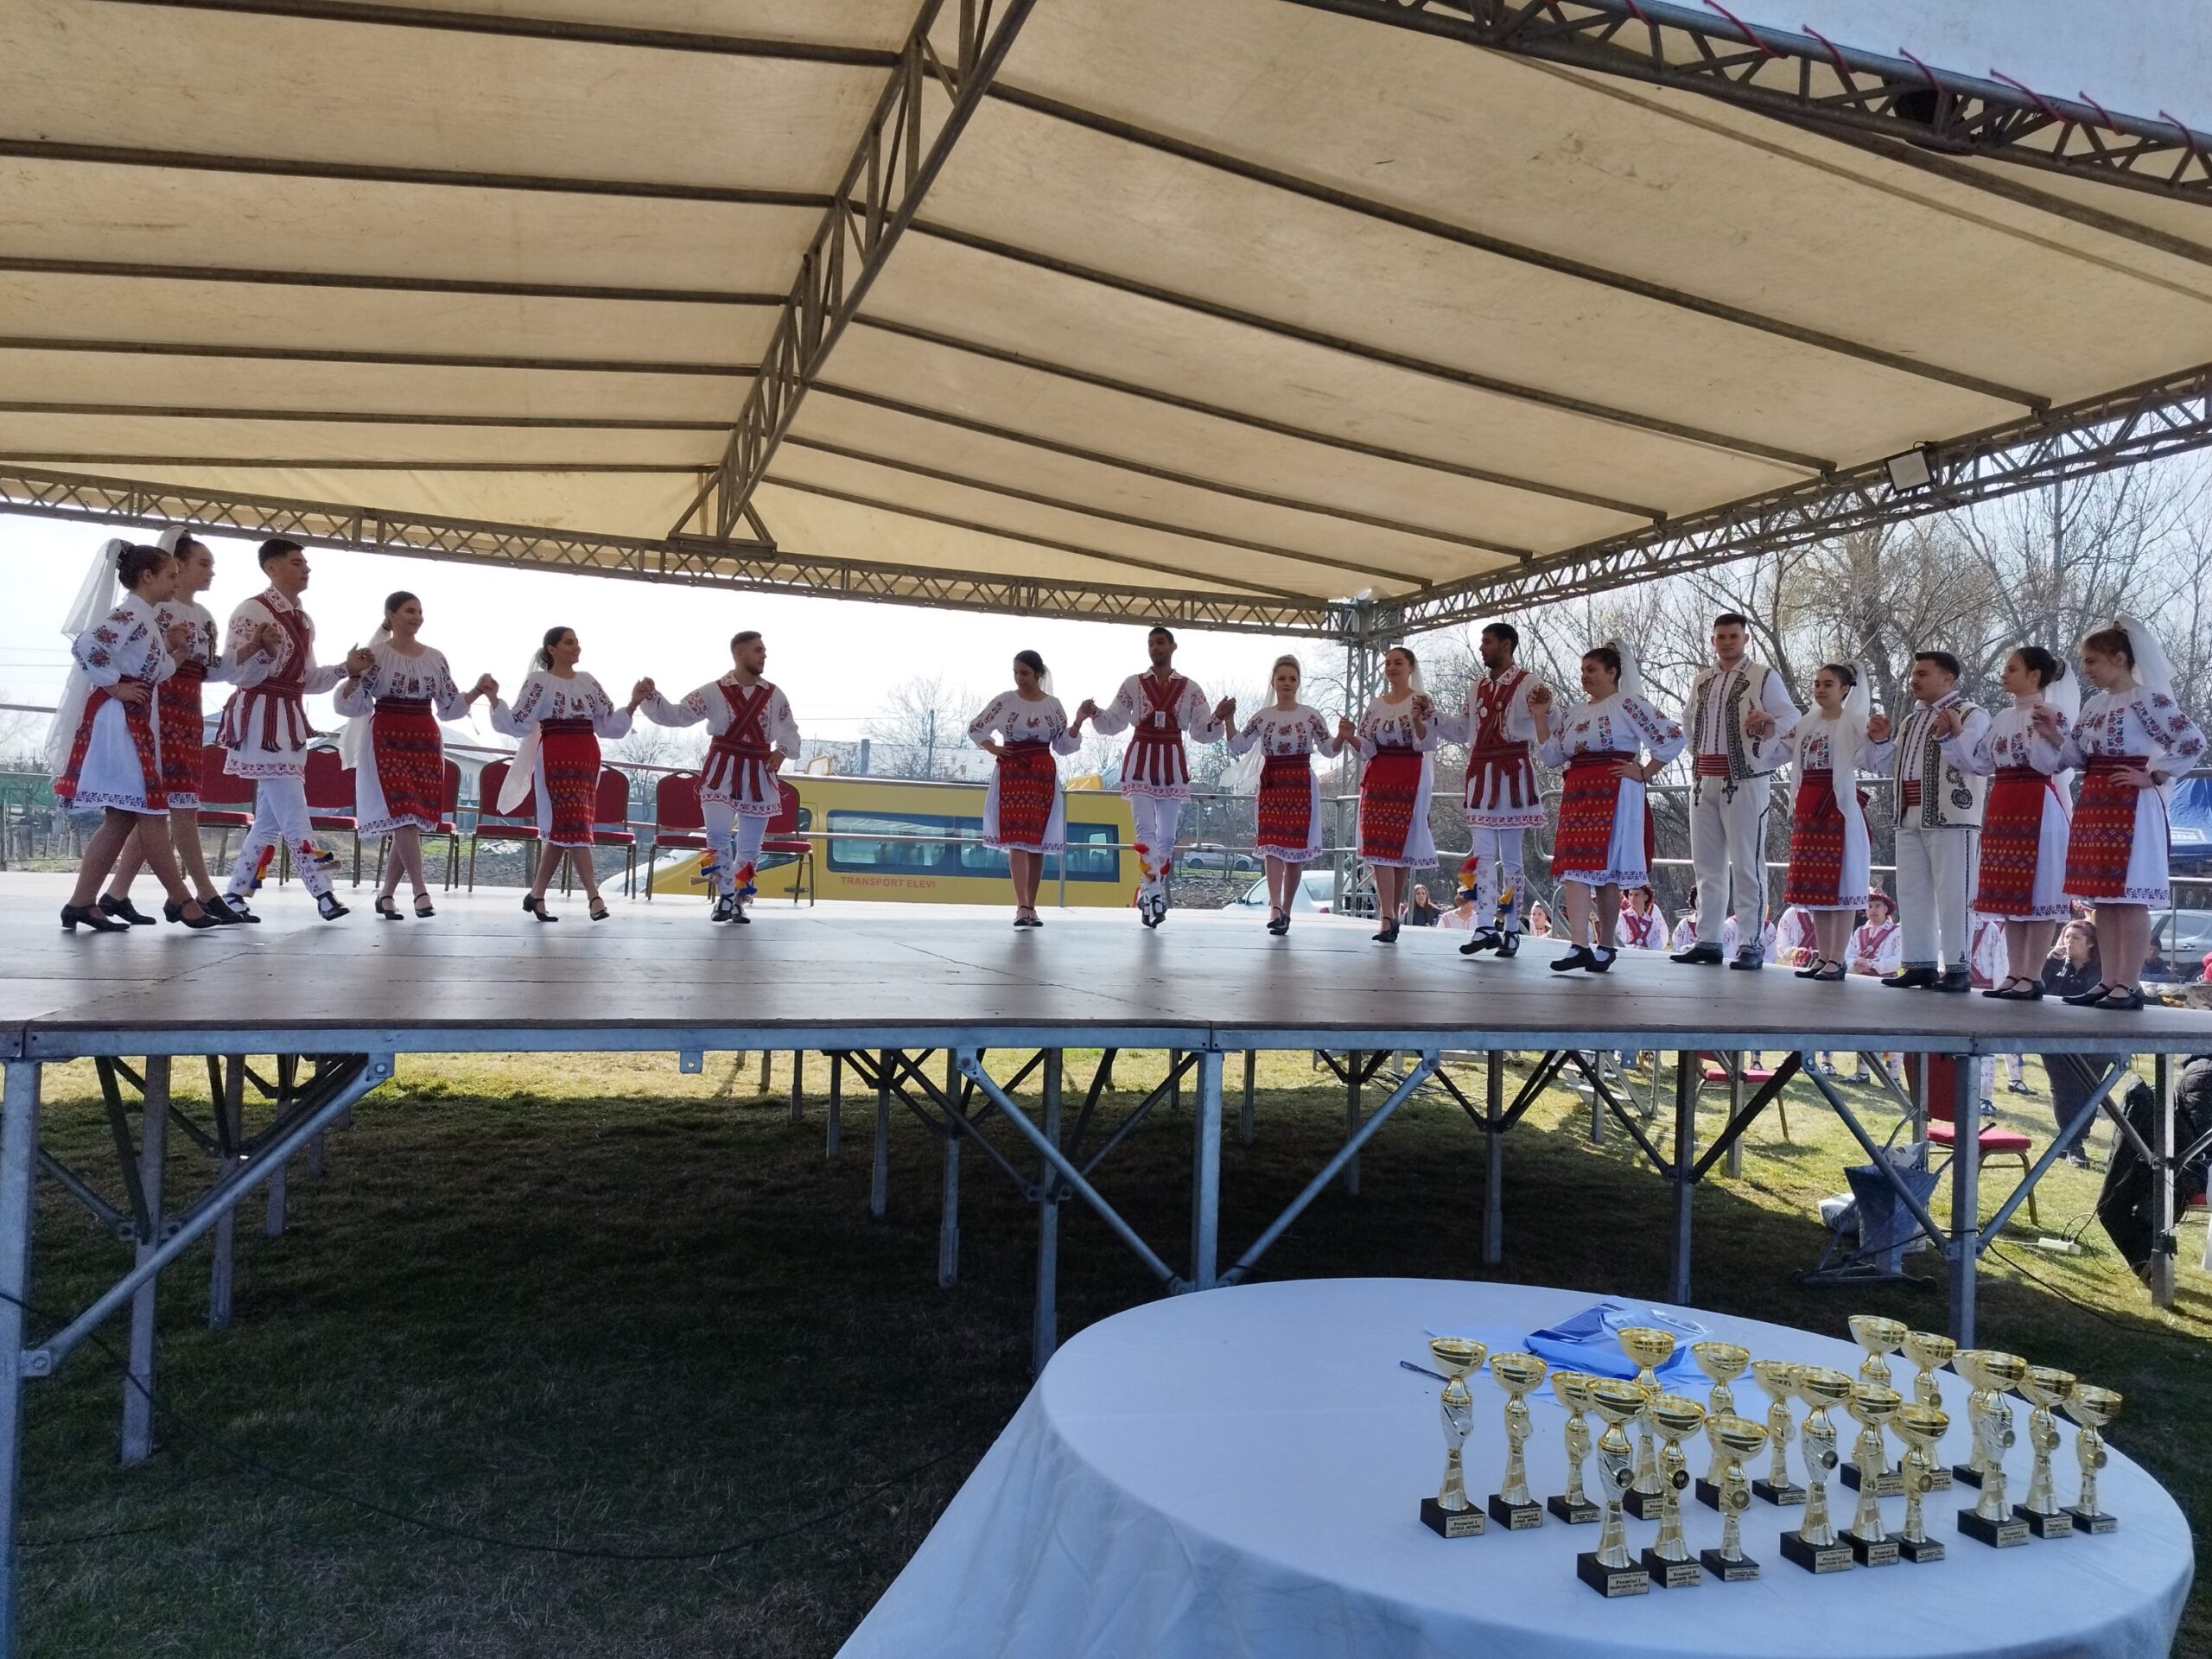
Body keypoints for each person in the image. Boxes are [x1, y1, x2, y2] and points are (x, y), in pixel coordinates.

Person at [50, 540, 217, 931]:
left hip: (135, 719)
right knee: (151, 813)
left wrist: (176, 650)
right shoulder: (130, 614)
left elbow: (156, 671)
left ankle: (81, 902)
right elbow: (87, 646)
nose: (175, 582)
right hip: (122, 721)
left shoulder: (144, 618)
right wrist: (114, 686)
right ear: (147, 577)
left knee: (123, 817)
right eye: (170, 575)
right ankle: (183, 901)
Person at [2050, 617, 2207, 1009]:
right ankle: (2109, 980)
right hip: (2097, 801)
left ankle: (2129, 983)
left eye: (2092, 661)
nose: (2086, 669)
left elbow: (2191, 741)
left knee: (2129, 897)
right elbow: (2078, 757)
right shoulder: (2095, 704)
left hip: (2132, 805)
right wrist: (2053, 735)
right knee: (2105, 899)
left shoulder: (2148, 699)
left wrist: (2154, 774)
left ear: (2119, 658)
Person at [97, 527, 250, 925]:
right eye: (203, 563)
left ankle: (116, 893)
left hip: (188, 713)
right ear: (176, 566)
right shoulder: (152, 611)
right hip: (156, 711)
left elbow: (209, 669)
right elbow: (115, 652)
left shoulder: (204, 616)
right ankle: (202, 893)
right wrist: (118, 684)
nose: (211, 572)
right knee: (171, 806)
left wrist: (250, 650)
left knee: (158, 808)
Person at [214, 537, 360, 921]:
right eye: (296, 562)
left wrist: (347, 669)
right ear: (272, 567)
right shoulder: (251, 610)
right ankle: (324, 892)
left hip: (288, 722)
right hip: (262, 721)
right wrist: (261, 650)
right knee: (294, 813)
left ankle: (236, 893)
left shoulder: (303, 619)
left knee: (270, 819)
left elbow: (307, 679)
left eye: (304, 563)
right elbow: (237, 674)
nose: (306, 569)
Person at [334, 591, 494, 920]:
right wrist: (354, 674)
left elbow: (448, 708)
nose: (417, 617)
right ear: (390, 615)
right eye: (410, 611)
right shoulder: (375, 655)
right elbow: (351, 704)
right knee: (404, 813)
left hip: (425, 740)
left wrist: (477, 691)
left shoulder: (435, 658)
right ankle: (421, 890)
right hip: (387, 738)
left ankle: (386, 894)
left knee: (409, 819)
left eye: (420, 612)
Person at [1531, 639, 1685, 973]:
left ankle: (1606, 945)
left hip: (1615, 790)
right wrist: (1540, 716)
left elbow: (1672, 736)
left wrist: (1644, 772)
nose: (1584, 676)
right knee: (1574, 867)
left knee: (1607, 873)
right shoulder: (1574, 712)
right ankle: (1579, 945)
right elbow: (1552, 755)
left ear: (1612, 672)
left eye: (1592, 670)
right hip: (1579, 791)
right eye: (1582, 670)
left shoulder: (1628, 704)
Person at [639, 631, 801, 925]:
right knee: (716, 836)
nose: (764, 655)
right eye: (758, 650)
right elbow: (679, 715)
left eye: (763, 650)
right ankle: (725, 894)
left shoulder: (775, 694)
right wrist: (652, 697)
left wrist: (782, 752)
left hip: (758, 772)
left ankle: (739, 900)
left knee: (751, 846)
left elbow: (789, 728)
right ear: (740, 653)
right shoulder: (713, 691)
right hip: (721, 771)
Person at [1943, 645, 2076, 999]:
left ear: (2035, 675)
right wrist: (1956, 733)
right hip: (2005, 803)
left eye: (2012, 668)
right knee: (2011, 897)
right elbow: (1981, 763)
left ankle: (2032, 975)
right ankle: (2015, 973)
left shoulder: (2052, 713)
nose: (2004, 674)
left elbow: (2053, 763)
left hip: (2037, 802)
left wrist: (2046, 733)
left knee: (2039, 891)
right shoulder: (2002, 716)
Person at [1073, 626, 1225, 927]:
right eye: (1151, 644)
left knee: (1166, 838)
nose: (1155, 648)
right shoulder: (1133, 683)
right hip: (1141, 761)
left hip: (1172, 763)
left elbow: (1201, 730)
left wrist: (1219, 716)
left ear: (1173, 647)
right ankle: (1155, 895)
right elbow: (1114, 721)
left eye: (1160, 642)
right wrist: (1095, 713)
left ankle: (1147, 894)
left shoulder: (1191, 688)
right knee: (1145, 831)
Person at [490, 626, 643, 922]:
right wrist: (495, 700)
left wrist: (634, 702)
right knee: (574, 826)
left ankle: (536, 894)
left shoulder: (588, 681)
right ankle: (594, 896)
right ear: (552, 649)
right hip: (556, 758)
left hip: (586, 758)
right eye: (569, 642)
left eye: (577, 642)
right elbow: (518, 722)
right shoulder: (539, 682)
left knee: (567, 829)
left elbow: (608, 725)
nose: (576, 647)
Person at [1674, 612, 1798, 969]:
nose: (1727, 642)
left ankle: (1751, 943)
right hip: (1704, 779)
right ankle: (1708, 940)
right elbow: (1688, 720)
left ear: (1745, 639)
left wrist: (1765, 730)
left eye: (1733, 636)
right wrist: (1696, 751)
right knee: (1707, 866)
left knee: (1747, 864)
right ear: (1713, 640)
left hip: (1745, 778)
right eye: (1721, 637)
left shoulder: (1763, 676)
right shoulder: (1702, 679)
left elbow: (1790, 717)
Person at [1872, 650, 1987, 991]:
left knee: (1955, 894)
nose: (1914, 680)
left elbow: (1975, 762)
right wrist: (1881, 741)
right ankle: (1919, 963)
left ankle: (1958, 967)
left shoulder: (1972, 713)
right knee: (1912, 891)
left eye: (1922, 674)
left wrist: (1952, 734)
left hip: (1951, 816)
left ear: (1947, 679)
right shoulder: (1911, 720)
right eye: (1914, 673)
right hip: (1909, 813)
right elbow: (1893, 767)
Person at [1435, 621, 1547, 958]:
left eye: (1487, 642)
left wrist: (1542, 714)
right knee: (1482, 855)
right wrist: (1433, 716)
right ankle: (1485, 924)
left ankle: (1511, 927)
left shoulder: (1529, 682)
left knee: (1511, 859)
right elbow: (1462, 730)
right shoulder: (1477, 687)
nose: (1482, 648)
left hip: (1512, 774)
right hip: (1481, 774)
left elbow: (1548, 721)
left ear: (1506, 645)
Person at [1779, 662, 1884, 981]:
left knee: (1842, 883)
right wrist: (1766, 728)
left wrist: (1878, 738)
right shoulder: (1807, 724)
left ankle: (1837, 958)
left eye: (1828, 684)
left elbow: (1869, 760)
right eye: (1817, 684)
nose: (1820, 689)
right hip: (1809, 807)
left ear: (1845, 689)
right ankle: (1823, 956)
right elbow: (1781, 750)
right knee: (1816, 890)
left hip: (1838, 808)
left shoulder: (1853, 723)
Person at [1222, 654, 1340, 934]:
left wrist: (1343, 736)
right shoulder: (1263, 717)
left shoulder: (1310, 715)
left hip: (1301, 784)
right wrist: (1229, 719)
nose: (1287, 683)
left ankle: (1286, 909)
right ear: (1273, 682)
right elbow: (1239, 745)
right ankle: (1275, 906)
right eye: (1282, 678)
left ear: (1298, 682)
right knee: (1271, 846)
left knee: (1295, 853)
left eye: (1292, 678)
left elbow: (1329, 750)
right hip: (1272, 783)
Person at [964, 651, 1081, 927]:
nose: (1019, 678)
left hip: (1041, 774)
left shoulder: (1053, 706)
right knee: (1017, 840)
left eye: (1025, 673)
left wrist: (1078, 723)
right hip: (1012, 772)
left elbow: (1063, 745)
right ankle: (1021, 906)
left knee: (1036, 844)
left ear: (1038, 674)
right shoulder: (1005, 701)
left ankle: (1032, 905)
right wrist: (992, 747)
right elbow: (976, 727)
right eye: (1016, 672)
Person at [1336, 645, 1439, 945]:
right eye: (1388, 663)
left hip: (1410, 773)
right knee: (1378, 843)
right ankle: (1388, 914)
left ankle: (1391, 914)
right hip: (1379, 774)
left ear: (1411, 668)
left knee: (1401, 846)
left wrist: (1417, 720)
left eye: (1398, 663)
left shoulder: (1421, 701)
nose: (1392, 668)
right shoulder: (1376, 706)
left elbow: (1428, 742)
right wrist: (1351, 737)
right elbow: (1367, 747)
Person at [2041, 923, 2118, 1166]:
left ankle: (2073, 1140)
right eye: (2066, 936)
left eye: (2075, 938)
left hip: (2093, 1040)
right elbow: (2039, 988)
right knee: (2062, 1090)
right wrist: (2049, 962)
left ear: (2091, 943)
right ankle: (2071, 1142)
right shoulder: (2054, 965)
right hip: (2056, 1037)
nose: (2068, 942)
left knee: (2088, 1091)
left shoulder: (2103, 971)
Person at [1843, 891, 1904, 1084]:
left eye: (1877, 906)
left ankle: (1894, 1075)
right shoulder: (1859, 932)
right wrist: (1854, 964)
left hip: (1886, 985)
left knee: (1891, 1030)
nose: (1873, 910)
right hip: (1863, 985)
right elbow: (1848, 954)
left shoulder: (1896, 932)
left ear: (1886, 909)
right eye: (1869, 906)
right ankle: (1862, 1073)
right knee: (1863, 1029)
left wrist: (1872, 964)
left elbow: (1898, 960)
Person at [1618, 886, 1669, 951]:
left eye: (1637, 895)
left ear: (1646, 897)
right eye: (1630, 895)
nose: (1632, 898)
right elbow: (1616, 943)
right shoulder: (1621, 919)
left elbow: (1658, 946)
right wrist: (1635, 948)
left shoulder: (1653, 924)